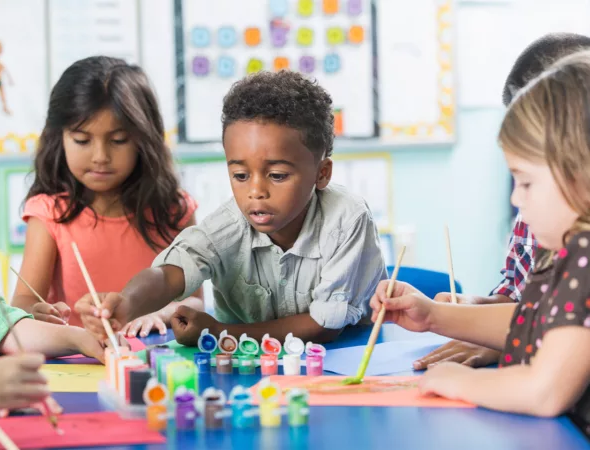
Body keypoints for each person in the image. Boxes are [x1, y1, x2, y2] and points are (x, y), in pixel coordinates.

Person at [75, 70, 388, 345]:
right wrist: (126, 303)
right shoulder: (227, 226)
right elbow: (169, 274)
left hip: (349, 367)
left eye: (277, 175)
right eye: (240, 175)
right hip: (252, 375)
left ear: (322, 174)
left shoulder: (348, 219)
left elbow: (324, 327)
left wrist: (222, 333)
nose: (255, 191)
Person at [371, 51, 590, 434]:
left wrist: (458, 381)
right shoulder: (564, 252)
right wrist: (434, 316)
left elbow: (544, 391)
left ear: (579, 173)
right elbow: (532, 324)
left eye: (526, 183)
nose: (515, 200)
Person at [413, 33, 590, 370]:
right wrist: (469, 308)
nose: (517, 197)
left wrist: (507, 344)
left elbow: (546, 376)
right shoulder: (536, 209)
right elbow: (522, 298)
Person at [10, 56, 203, 335]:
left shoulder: (175, 210)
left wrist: (161, 313)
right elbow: (24, 301)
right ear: (59, 137)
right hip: (75, 365)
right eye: (82, 140)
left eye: (118, 141)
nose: (100, 157)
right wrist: (35, 312)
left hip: (154, 358)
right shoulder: (48, 213)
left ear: (143, 138)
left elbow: (195, 302)